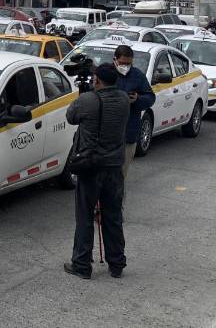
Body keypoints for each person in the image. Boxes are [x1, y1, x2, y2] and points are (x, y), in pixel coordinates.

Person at [65, 63, 131, 280]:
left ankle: (82, 264)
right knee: (112, 216)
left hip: (91, 166)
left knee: (85, 216)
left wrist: (83, 95)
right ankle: (117, 264)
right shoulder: (123, 100)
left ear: (98, 81)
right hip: (114, 167)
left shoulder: (88, 100)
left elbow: (71, 116)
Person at [113, 44, 155, 178]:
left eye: (128, 64)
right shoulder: (106, 74)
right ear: (115, 59)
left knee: (120, 177)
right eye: (122, 63)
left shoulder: (137, 75)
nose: (125, 66)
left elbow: (150, 97)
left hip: (128, 134)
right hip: (107, 136)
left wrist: (137, 99)